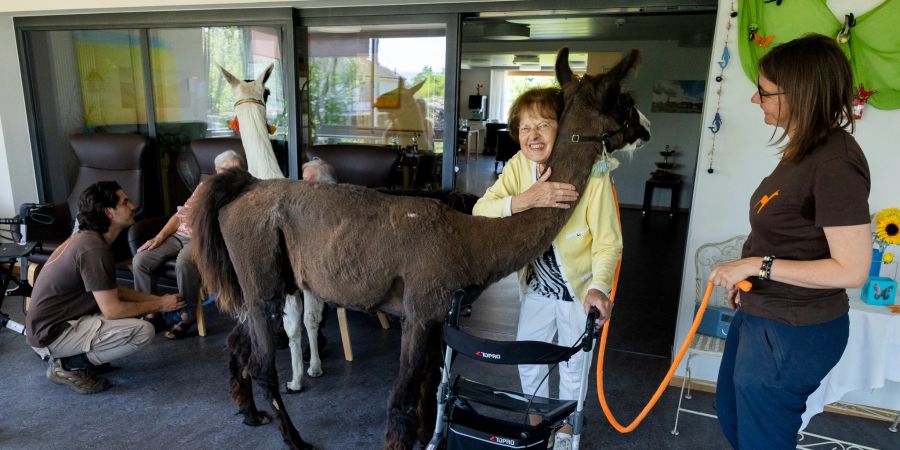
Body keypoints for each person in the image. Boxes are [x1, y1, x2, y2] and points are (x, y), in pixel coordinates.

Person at [709, 34, 871, 449]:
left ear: (798, 95)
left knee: (762, 439)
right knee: (734, 420)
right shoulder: (804, 151)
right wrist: (754, 285)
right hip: (764, 314)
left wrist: (754, 266)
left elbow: (852, 270)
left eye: (763, 92)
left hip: (794, 330)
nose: (754, 100)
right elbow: (791, 235)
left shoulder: (836, 163)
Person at [472, 87, 622, 450]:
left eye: (543, 125)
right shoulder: (519, 167)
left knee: (574, 368)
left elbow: (608, 242)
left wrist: (599, 287)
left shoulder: (593, 174)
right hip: (537, 288)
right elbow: (481, 210)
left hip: (578, 292)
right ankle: (539, 428)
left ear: (562, 127)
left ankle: (567, 435)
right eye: (525, 128)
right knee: (529, 363)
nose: (533, 136)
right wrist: (527, 199)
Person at [25, 181, 186, 394]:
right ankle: (70, 364)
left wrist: (153, 301)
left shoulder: (87, 239)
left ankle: (76, 356)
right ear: (109, 212)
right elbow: (113, 310)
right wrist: (159, 304)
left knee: (135, 314)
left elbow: (112, 289)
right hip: (52, 335)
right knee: (142, 331)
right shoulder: (93, 249)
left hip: (53, 327)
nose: (132, 206)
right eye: (125, 202)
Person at [132, 150, 245, 339]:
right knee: (140, 260)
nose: (231, 175)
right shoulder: (204, 187)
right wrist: (159, 238)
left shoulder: (242, 193)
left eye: (236, 170)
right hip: (179, 235)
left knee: (184, 263)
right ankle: (152, 311)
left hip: (203, 240)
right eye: (226, 170)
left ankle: (188, 314)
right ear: (217, 171)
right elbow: (179, 216)